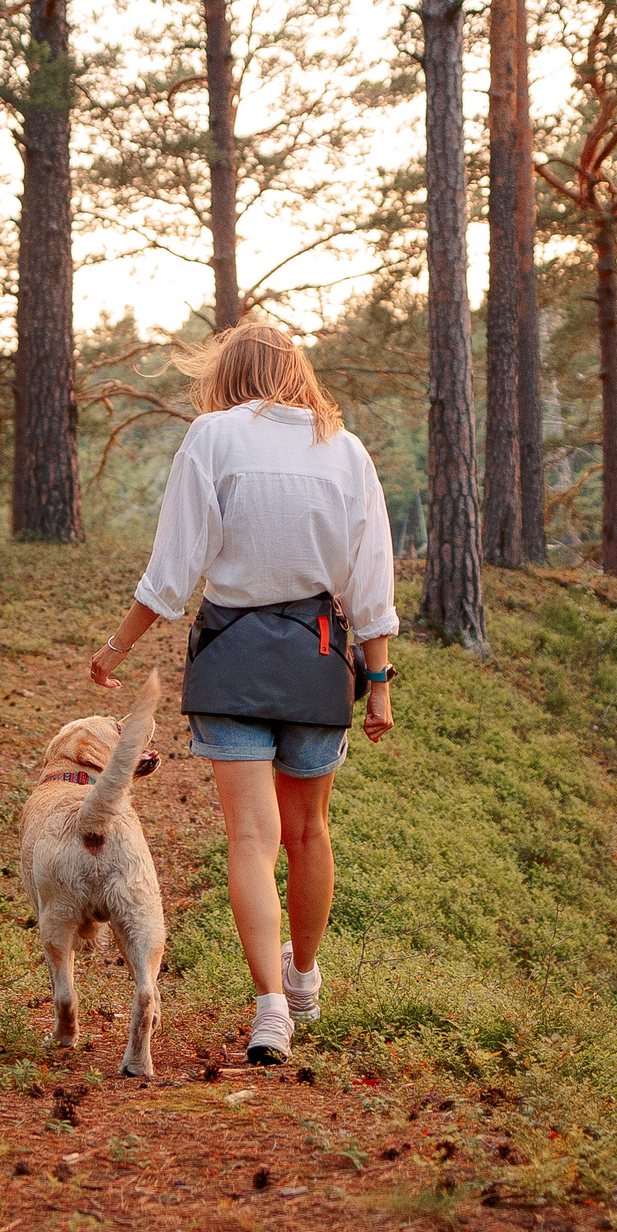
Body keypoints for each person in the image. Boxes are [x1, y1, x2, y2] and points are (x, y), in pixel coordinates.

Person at [89, 320, 397, 1065]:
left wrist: (118, 644)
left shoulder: (212, 436)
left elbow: (173, 568)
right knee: (308, 834)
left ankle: (269, 1012)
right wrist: (379, 683)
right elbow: (371, 577)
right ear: (297, 371)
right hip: (320, 659)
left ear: (232, 371)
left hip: (231, 659)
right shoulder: (346, 451)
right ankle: (304, 979)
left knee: (251, 840)